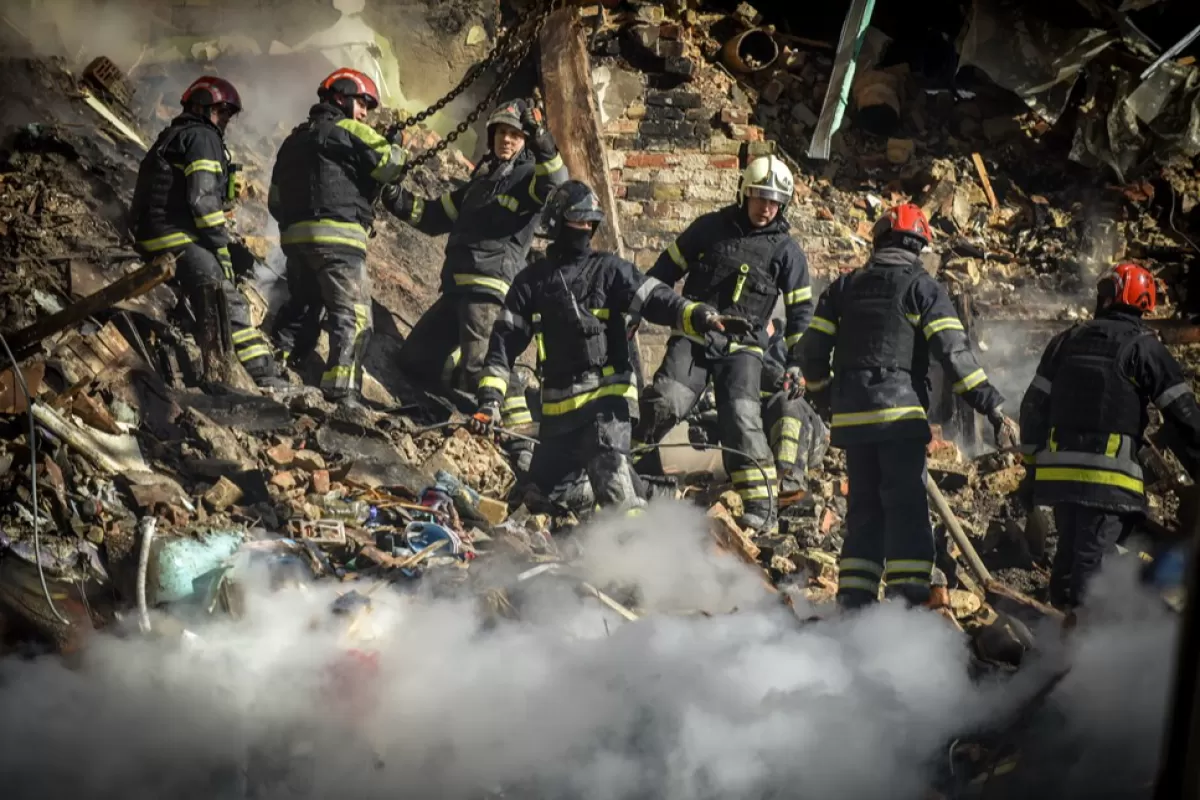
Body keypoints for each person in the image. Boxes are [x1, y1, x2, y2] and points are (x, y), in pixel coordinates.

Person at [800, 203, 1019, 609]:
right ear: (920, 246)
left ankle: (855, 604)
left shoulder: (844, 287)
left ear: (879, 240)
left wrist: (827, 397)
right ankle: (906, 607)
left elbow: (811, 353)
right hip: (899, 420)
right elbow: (955, 356)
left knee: (863, 510)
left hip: (854, 422)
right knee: (905, 509)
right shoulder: (923, 288)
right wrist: (991, 406)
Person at [470, 180, 725, 513]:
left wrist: (695, 314)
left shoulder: (610, 270)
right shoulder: (531, 282)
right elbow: (502, 345)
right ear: (557, 221)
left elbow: (656, 298)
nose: (586, 229)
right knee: (541, 498)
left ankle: (639, 553)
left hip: (607, 408)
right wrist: (489, 402)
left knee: (612, 477)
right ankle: (651, 495)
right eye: (578, 221)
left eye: (591, 223)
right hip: (559, 418)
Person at [632, 154, 813, 531]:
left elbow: (802, 316)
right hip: (695, 336)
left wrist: (798, 363)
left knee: (743, 419)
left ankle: (762, 510)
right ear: (744, 193)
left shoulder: (787, 253)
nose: (766, 208)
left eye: (774, 201)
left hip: (744, 349)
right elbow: (660, 275)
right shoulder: (709, 229)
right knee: (666, 401)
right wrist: (636, 310)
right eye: (760, 197)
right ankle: (627, 469)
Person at [1019, 262, 1200, 610]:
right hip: (1107, 481)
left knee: (1070, 558)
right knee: (1090, 567)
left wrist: (1032, 467)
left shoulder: (1065, 341)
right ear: (1143, 304)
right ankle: (1080, 646)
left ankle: (1058, 641)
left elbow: (1032, 408)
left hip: (1060, 478)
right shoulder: (1144, 348)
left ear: (1108, 299)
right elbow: (1184, 416)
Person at [387, 99, 568, 396]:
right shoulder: (479, 185)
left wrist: (541, 138)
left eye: (515, 135)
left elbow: (557, 182)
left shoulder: (528, 180)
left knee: (481, 372)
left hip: (489, 289)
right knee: (414, 360)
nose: (506, 140)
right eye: (501, 133)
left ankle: (518, 428)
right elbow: (433, 217)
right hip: (456, 289)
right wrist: (395, 197)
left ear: (524, 141)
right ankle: (447, 405)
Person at [268, 68, 408, 409]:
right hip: (340, 243)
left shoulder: (293, 140)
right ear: (342, 97)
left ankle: (274, 366)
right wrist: (396, 145)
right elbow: (391, 166)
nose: (364, 113)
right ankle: (342, 395)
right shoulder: (350, 130)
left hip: (296, 242)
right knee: (354, 317)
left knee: (303, 306)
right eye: (362, 104)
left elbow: (274, 200)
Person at [128, 76, 282, 387]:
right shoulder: (203, 137)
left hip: (152, 232)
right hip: (173, 235)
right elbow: (202, 201)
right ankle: (263, 375)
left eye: (229, 114)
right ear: (201, 106)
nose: (226, 120)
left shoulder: (174, 135)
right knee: (227, 297)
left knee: (233, 266)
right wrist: (220, 247)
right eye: (222, 111)